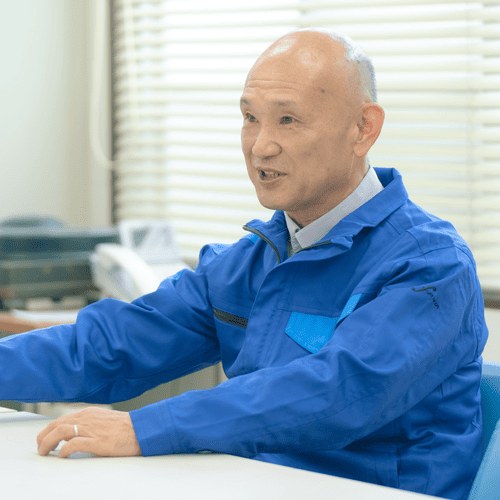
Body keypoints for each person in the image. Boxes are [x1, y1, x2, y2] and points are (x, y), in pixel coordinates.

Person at [0, 28, 488, 500]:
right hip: (255, 483)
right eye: (250, 117)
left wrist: (144, 427)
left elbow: (336, 392)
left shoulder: (431, 266)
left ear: (364, 129)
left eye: (287, 120)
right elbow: (114, 344)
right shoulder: (252, 260)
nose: (260, 146)